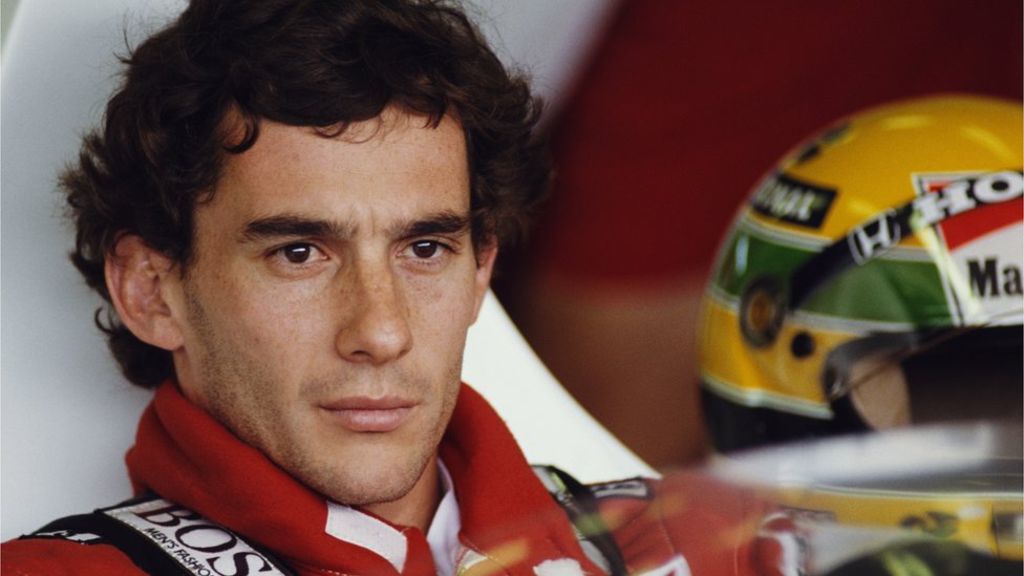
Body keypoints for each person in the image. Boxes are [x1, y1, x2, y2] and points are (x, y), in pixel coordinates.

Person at [1, 1, 764, 575]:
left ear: (481, 270)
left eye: (425, 248)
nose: (381, 330)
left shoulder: (708, 544)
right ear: (151, 291)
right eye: (300, 253)